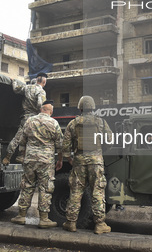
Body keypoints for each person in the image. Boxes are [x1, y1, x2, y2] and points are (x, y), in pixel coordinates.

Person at [60, 95, 113, 234]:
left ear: (80, 107)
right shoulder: (100, 122)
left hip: (79, 161)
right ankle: (100, 224)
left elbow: (65, 145)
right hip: (96, 161)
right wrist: (100, 152)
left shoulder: (73, 123)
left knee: (76, 192)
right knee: (98, 191)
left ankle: (71, 223)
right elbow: (110, 140)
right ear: (93, 107)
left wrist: (69, 158)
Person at [10, 102, 63, 228]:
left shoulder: (29, 121)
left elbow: (22, 141)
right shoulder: (54, 123)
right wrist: (60, 159)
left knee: (27, 186)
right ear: (50, 112)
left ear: (41, 109)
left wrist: (23, 156)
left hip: (30, 159)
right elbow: (60, 144)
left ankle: (21, 216)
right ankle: (44, 219)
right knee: (45, 188)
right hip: (46, 161)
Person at [3, 72, 48, 165]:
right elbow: (40, 104)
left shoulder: (28, 87)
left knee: (18, 137)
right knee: (32, 139)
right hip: (35, 119)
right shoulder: (41, 91)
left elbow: (16, 89)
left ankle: (7, 157)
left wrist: (14, 80)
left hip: (25, 117)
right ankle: (22, 156)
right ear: (44, 82)